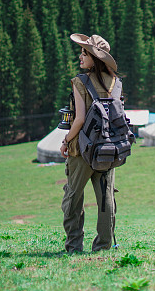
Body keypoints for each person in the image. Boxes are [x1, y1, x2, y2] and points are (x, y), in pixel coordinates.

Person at [59, 33, 119, 253]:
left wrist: (66, 140)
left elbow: (80, 119)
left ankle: (74, 246)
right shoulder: (115, 82)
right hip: (108, 150)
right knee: (106, 199)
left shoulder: (80, 81)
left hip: (81, 150)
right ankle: (103, 246)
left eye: (84, 53)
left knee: (73, 197)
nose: (80, 56)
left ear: (95, 57)